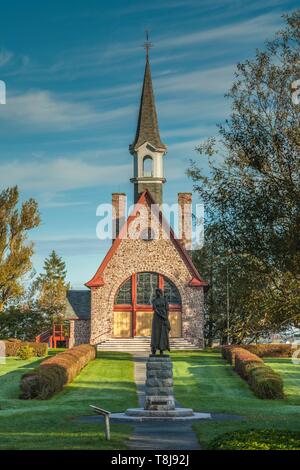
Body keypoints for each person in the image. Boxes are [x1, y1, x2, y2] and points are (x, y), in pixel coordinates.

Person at [151, 288, 171, 355]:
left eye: (158, 292)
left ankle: (162, 349)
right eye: (156, 292)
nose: (157, 293)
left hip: (163, 319)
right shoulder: (154, 300)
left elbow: (167, 309)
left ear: (160, 293)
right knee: (156, 334)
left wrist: (166, 317)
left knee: (163, 333)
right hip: (157, 318)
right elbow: (155, 309)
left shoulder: (165, 300)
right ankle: (154, 348)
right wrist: (161, 315)